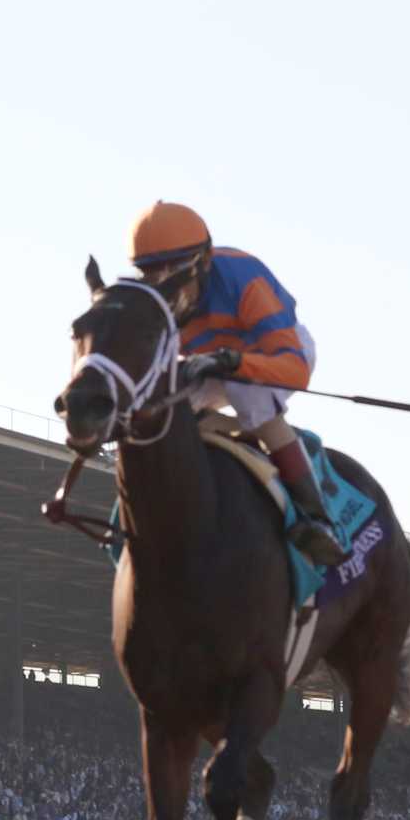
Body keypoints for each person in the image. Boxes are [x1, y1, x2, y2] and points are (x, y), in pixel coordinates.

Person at [128, 201, 348, 565]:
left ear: (204, 262)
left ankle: (316, 518)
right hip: (204, 364)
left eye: (176, 269)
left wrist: (236, 362)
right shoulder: (150, 306)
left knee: (248, 392)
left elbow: (293, 368)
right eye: (152, 272)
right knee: (163, 416)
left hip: (272, 351)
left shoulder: (243, 278)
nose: (165, 283)